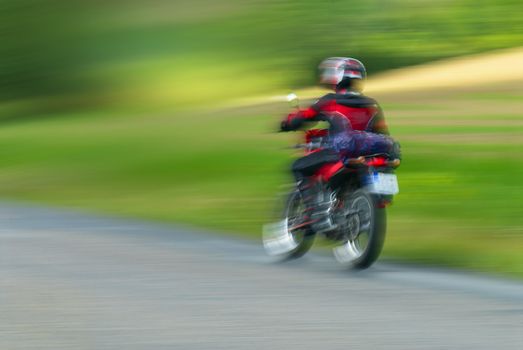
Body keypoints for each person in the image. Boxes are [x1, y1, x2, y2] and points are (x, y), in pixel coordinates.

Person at [279, 57, 397, 232]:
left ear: (338, 76)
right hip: (371, 156)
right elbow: (382, 133)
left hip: (339, 154)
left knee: (298, 166)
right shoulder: (372, 104)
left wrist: (288, 123)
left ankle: (312, 213)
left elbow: (305, 117)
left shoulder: (330, 101)